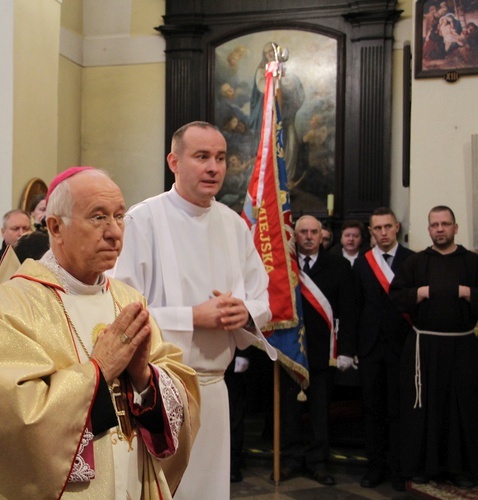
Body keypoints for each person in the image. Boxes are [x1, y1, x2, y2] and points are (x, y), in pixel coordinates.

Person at [0, 167, 200, 499]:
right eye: (98, 217)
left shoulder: (129, 300)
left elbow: (180, 387)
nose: (114, 232)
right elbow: (3, 421)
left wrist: (144, 376)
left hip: (134, 484)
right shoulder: (9, 306)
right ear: (55, 227)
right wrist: (98, 372)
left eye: (119, 216)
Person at [111, 121, 276, 499]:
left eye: (220, 158)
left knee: (210, 490)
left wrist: (244, 313)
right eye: (202, 157)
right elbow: (119, 306)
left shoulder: (234, 225)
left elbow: (262, 297)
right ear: (174, 161)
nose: (213, 167)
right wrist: (191, 317)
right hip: (157, 387)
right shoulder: (143, 220)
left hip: (215, 388)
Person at [390, 205, 478, 489]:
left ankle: (461, 468)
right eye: (434, 225)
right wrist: (419, 292)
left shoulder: (472, 262)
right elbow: (397, 296)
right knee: (423, 409)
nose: (440, 229)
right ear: (428, 229)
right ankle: (421, 467)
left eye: (445, 224)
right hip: (423, 349)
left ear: (455, 227)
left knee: (462, 407)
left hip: (462, 347)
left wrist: (468, 293)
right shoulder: (416, 263)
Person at [279, 215, 356, 486]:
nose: (309, 237)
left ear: (321, 235)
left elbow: (348, 310)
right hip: (290, 351)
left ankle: (318, 462)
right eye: (303, 232)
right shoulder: (282, 267)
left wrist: (346, 349)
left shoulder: (338, 265)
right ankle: (289, 459)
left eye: (314, 232)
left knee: (320, 412)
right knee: (288, 411)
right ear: (294, 235)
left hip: (324, 353)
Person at [352, 207, 414, 491]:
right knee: (372, 410)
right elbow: (353, 308)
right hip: (369, 348)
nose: (383, 233)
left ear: (397, 227)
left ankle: (400, 469)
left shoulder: (412, 260)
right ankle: (374, 467)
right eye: (377, 229)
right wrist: (350, 348)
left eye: (388, 227)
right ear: (371, 231)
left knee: (399, 410)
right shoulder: (363, 263)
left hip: (401, 347)